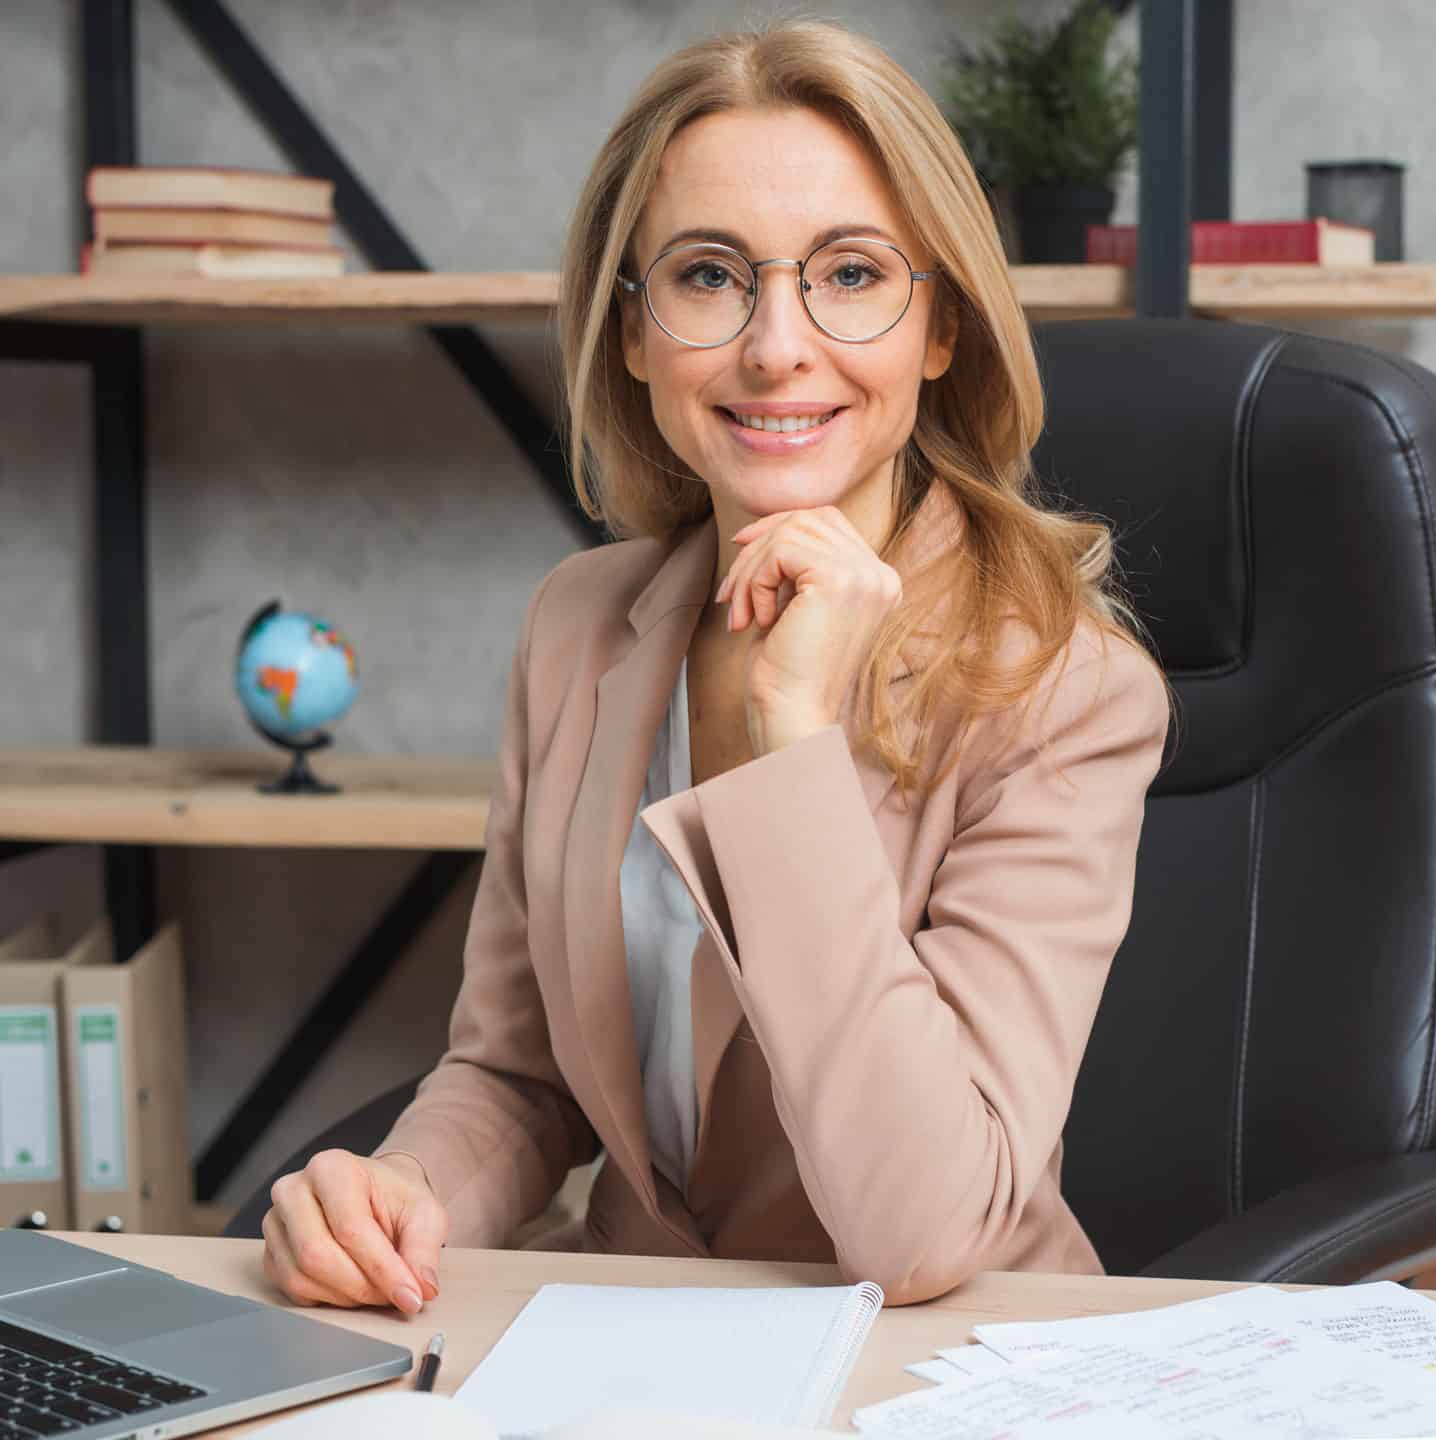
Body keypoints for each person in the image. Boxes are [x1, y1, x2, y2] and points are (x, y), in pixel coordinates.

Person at [260, 19, 1169, 1314]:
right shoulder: (579, 627)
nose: (774, 346)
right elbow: (523, 1078)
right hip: (621, 1350)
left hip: (923, 1366)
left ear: (943, 328)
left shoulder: (1063, 690)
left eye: (851, 274)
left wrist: (793, 741)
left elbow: (923, 1230)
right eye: (706, 275)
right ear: (632, 333)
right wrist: (405, 1193)